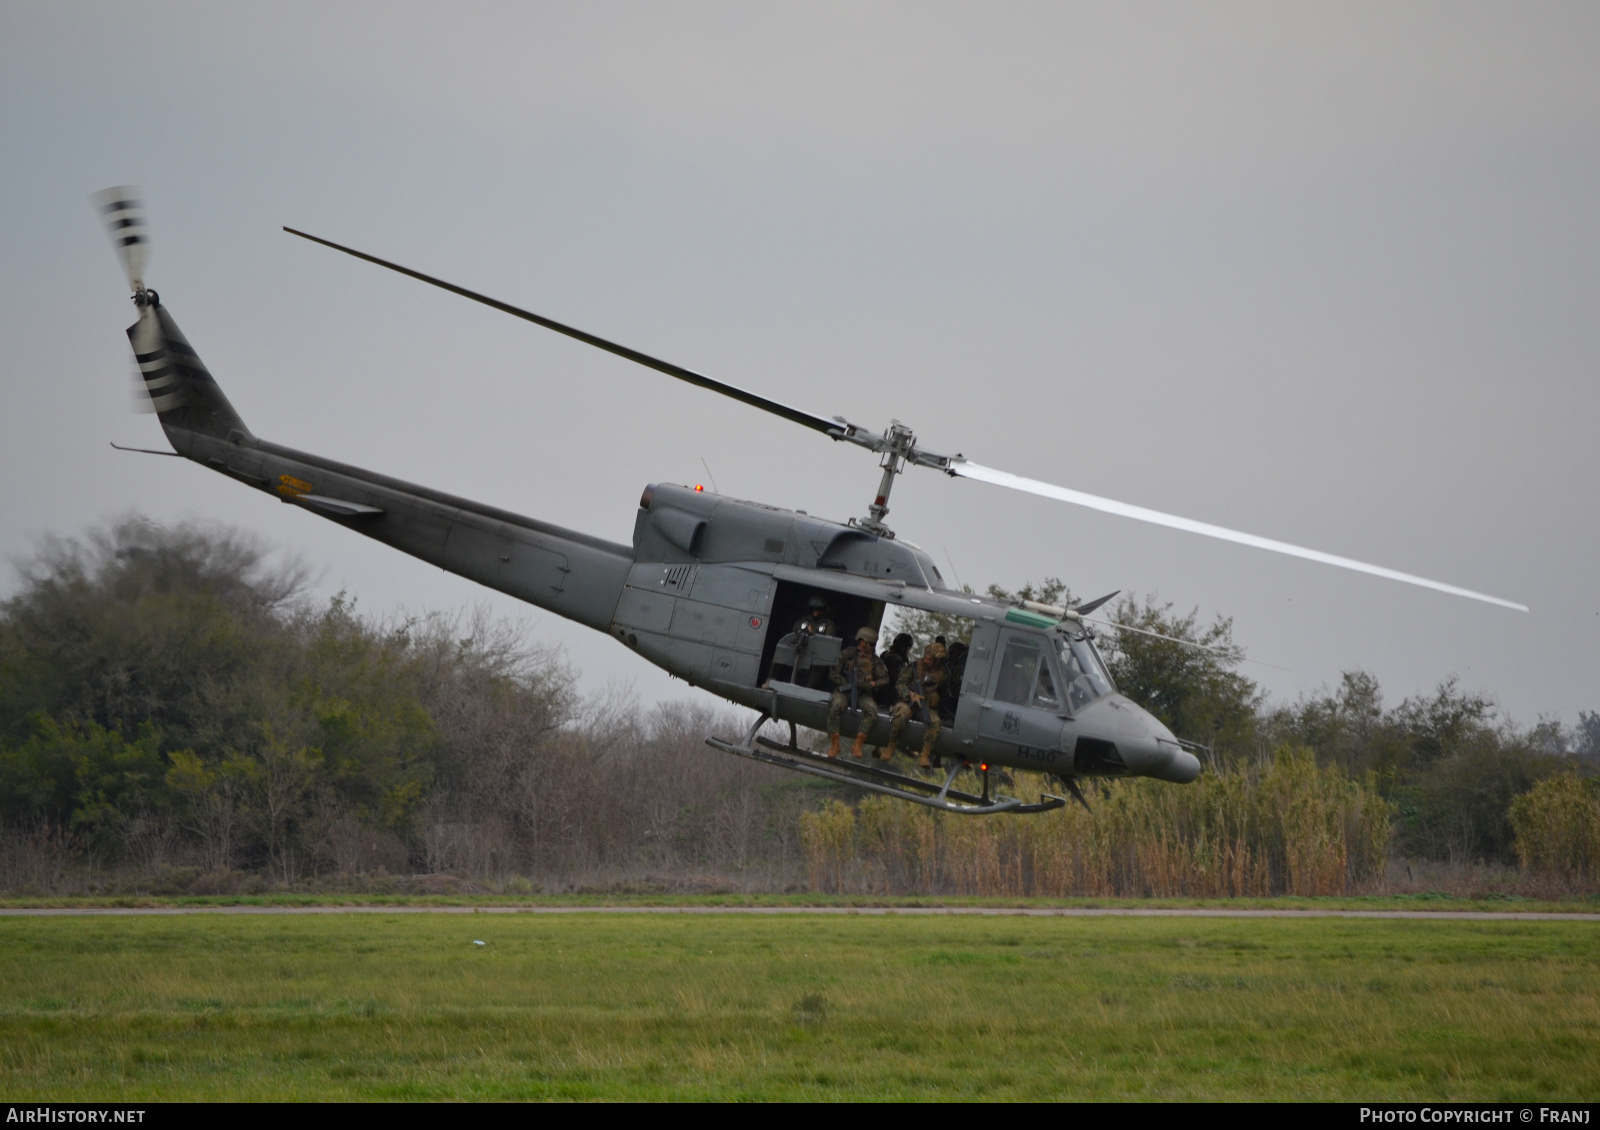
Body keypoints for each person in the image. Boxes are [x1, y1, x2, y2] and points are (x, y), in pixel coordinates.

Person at [826, 626, 890, 758]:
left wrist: (872, 684)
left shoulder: (875, 661)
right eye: (870, 644)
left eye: (873, 645)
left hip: (863, 693)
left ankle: (858, 744)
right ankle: (834, 745)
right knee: (834, 708)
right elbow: (833, 673)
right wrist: (846, 684)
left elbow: (885, 679)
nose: (871, 647)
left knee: (872, 711)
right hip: (844, 691)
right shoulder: (848, 654)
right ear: (862, 641)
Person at [885, 641, 947, 767]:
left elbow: (945, 695)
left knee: (935, 723)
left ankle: (924, 755)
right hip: (908, 702)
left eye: (930, 659)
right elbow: (900, 684)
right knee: (901, 714)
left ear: (937, 661)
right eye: (926, 658)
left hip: (925, 705)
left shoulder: (942, 675)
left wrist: (936, 698)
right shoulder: (914, 667)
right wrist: (910, 694)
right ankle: (891, 745)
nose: (926, 661)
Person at [940, 640, 968, 723]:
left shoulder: (960, 666)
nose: (951, 654)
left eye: (954, 652)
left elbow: (955, 684)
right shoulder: (948, 665)